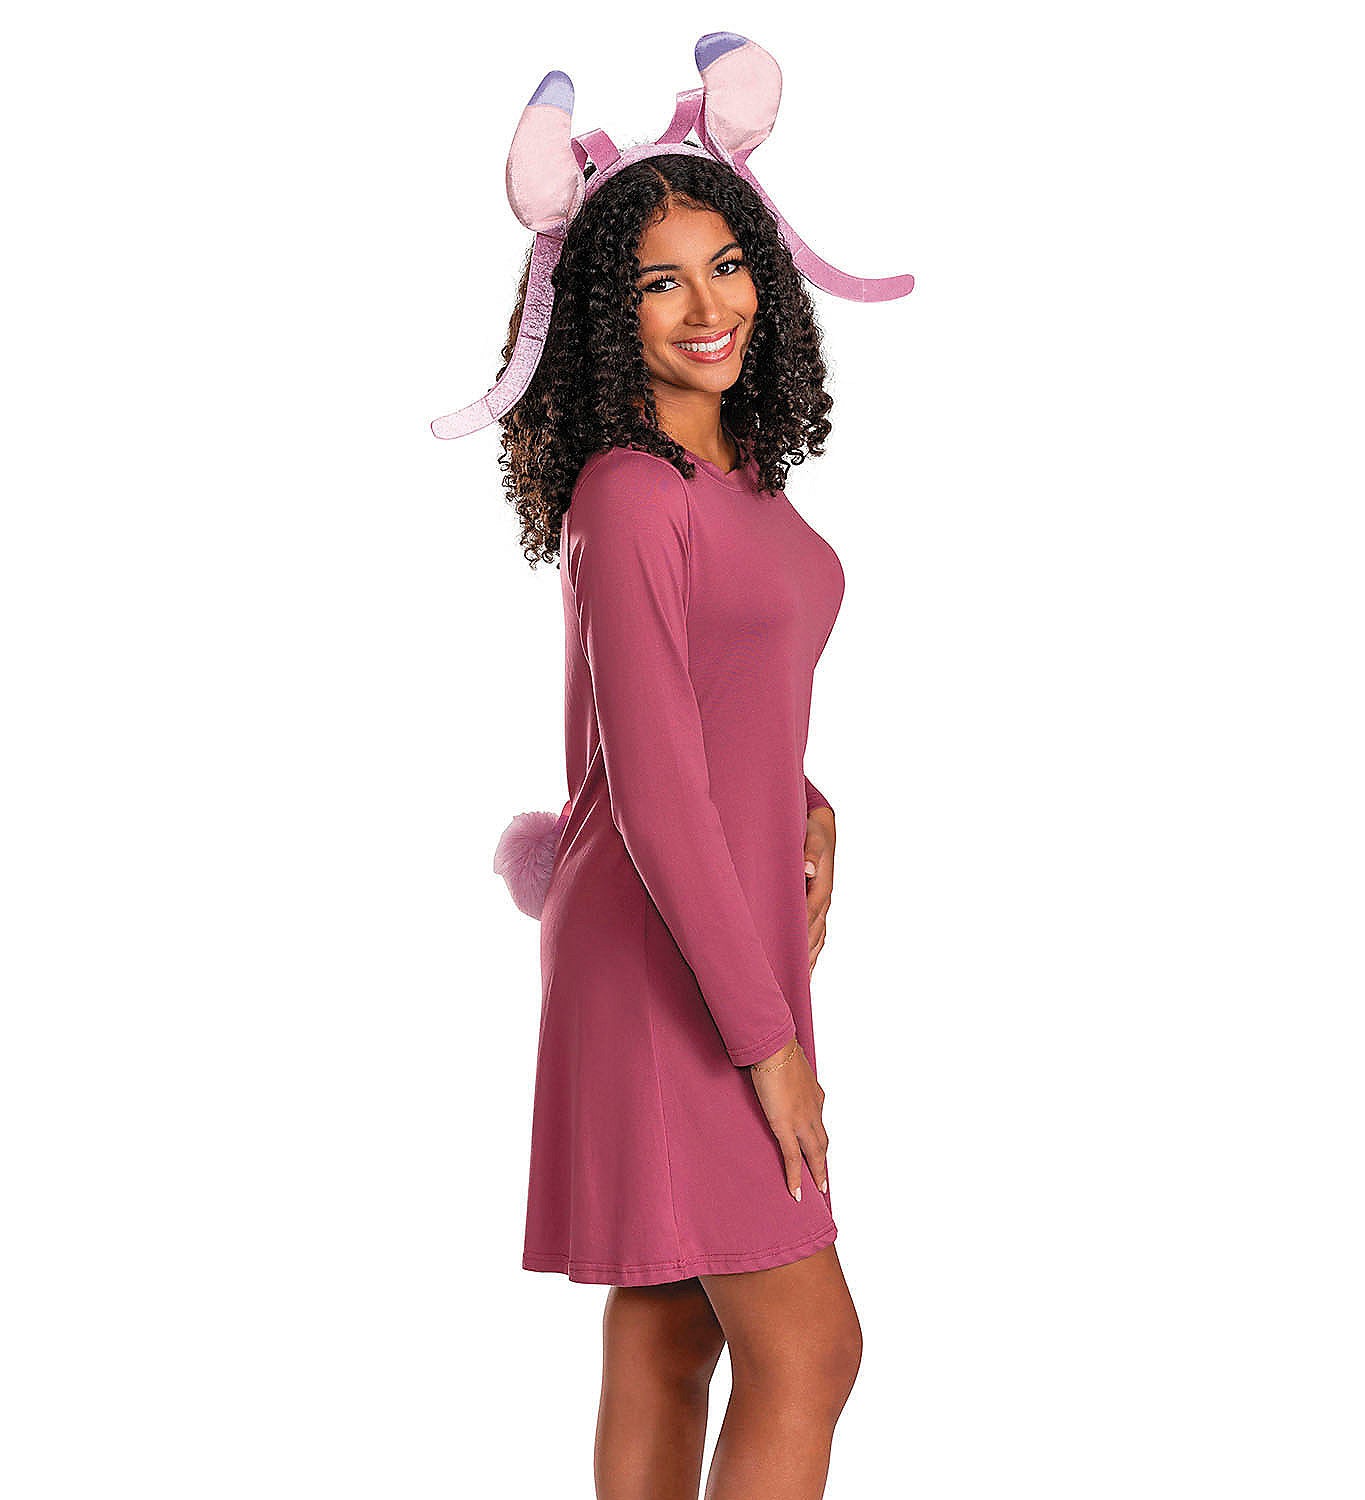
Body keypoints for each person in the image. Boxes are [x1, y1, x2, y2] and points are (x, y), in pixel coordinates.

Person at [493, 148, 863, 1498]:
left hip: (717, 924)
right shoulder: (630, 490)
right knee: (810, 1349)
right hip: (665, 956)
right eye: (661, 282)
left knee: (671, 1330)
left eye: (727, 264)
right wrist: (769, 1049)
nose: (710, 305)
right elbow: (648, 788)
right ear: (607, 308)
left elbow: (717, 702)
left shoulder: (736, 472)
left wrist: (810, 808)